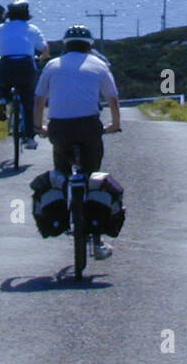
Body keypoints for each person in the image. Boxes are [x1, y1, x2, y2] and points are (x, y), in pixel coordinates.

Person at [33, 25, 121, 259]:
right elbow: (112, 98)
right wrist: (114, 124)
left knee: (61, 172)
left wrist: (38, 126)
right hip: (89, 128)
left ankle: (60, 213)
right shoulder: (99, 65)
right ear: (90, 45)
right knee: (93, 176)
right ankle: (97, 242)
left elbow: (40, 99)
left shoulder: (52, 66)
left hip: (59, 129)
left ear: (65, 44)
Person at [0, 0, 48, 149]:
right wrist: (41, 58)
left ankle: (3, 100)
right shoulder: (32, 29)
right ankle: (29, 137)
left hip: (6, 63)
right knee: (27, 100)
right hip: (26, 64)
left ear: (9, 13)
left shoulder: (1, 28)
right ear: (27, 13)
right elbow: (45, 50)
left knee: (2, 80)